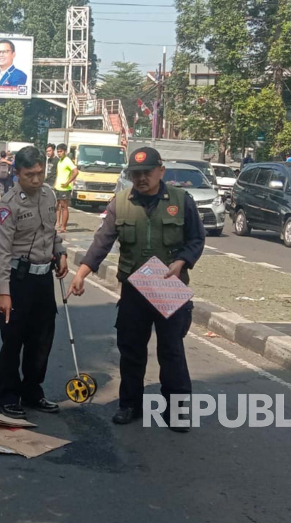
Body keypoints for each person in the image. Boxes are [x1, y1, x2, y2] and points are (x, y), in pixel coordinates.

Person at [67, 147, 206, 431]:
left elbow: (196, 239)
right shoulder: (121, 203)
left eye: (147, 173)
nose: (141, 178)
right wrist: (81, 273)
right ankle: (130, 405)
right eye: (136, 174)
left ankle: (177, 413)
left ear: (161, 172)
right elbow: (102, 242)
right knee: (131, 351)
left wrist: (182, 261)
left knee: (172, 351)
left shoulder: (181, 201)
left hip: (169, 287)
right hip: (133, 289)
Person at [0, 146, 68, 418]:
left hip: (43, 279)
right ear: (17, 174)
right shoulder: (7, 206)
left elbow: (51, 231)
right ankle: (8, 396)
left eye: (40, 173)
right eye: (29, 175)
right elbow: (2, 253)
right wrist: (4, 293)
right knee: (13, 340)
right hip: (18, 280)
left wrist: (60, 252)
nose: (36, 180)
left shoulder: (49, 194)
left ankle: (33, 391)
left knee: (42, 339)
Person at [54, 143, 78, 233]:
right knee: (57, 207)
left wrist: (68, 182)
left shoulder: (67, 160)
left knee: (64, 207)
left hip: (65, 188)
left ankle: (63, 227)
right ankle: (58, 223)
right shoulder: (60, 161)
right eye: (58, 151)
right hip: (58, 187)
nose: (59, 153)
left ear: (65, 152)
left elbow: (75, 172)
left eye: (61, 151)